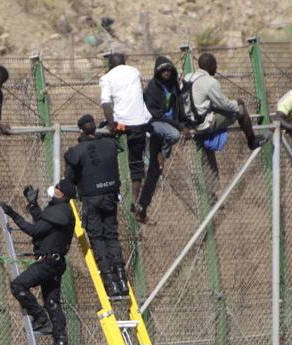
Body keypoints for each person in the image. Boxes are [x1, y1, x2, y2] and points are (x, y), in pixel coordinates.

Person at [0, 179, 76, 345]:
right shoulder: (62, 212)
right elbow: (43, 226)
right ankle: (61, 344)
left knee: (18, 286)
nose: (54, 188)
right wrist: (33, 204)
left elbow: (34, 230)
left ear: (62, 194)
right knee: (52, 303)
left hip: (48, 263)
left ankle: (41, 319)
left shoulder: (60, 212)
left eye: (58, 187)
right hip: (56, 263)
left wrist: (12, 214)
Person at [64, 114, 127, 298]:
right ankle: (121, 279)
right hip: (110, 197)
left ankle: (109, 282)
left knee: (98, 239)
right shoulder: (109, 145)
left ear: (81, 130)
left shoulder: (77, 151)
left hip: (92, 199)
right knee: (112, 236)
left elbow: (71, 177)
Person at [183, 53, 267, 181]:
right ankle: (252, 140)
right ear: (210, 66)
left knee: (207, 165)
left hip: (189, 123)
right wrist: (238, 102)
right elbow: (225, 105)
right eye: (215, 65)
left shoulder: (188, 77)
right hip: (203, 124)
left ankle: (212, 189)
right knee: (241, 110)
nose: (216, 68)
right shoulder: (210, 82)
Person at [99, 53, 151, 212]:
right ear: (124, 63)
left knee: (101, 138)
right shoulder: (135, 72)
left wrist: (111, 125)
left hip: (121, 125)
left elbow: (106, 104)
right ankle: (134, 201)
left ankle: (110, 188)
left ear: (109, 65)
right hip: (139, 124)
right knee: (136, 163)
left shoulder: (107, 77)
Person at [136, 56, 185, 223]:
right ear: (158, 72)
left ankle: (142, 207)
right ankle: (161, 154)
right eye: (163, 70)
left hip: (169, 125)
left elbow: (180, 108)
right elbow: (156, 113)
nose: (166, 72)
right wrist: (178, 125)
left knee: (154, 173)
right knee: (175, 135)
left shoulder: (173, 86)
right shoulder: (152, 88)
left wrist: (184, 123)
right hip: (155, 125)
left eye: (169, 70)